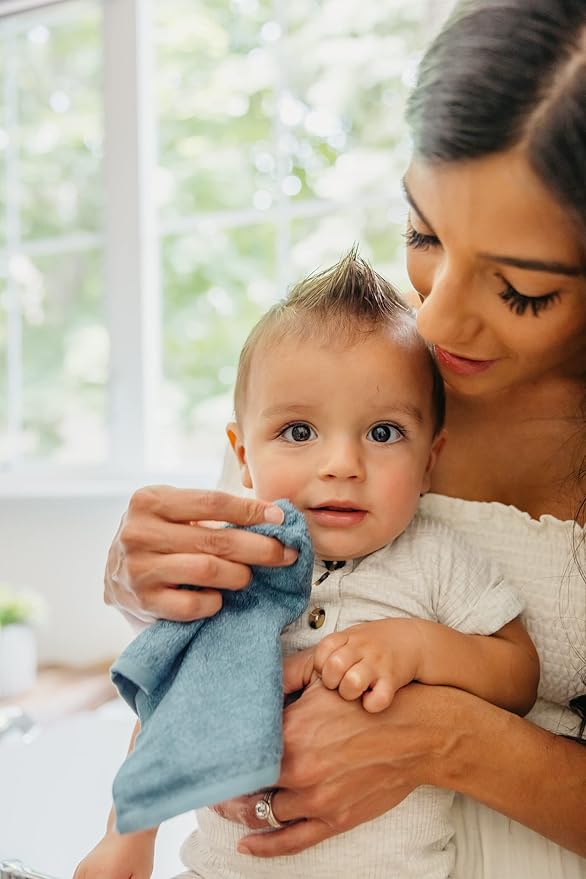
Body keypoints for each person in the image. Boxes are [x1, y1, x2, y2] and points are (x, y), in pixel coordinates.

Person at [100, 0, 586, 876]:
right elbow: (182, 658)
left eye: (519, 289)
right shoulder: (352, 368)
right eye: (424, 234)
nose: (433, 318)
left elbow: (505, 666)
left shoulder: (435, 556)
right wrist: (139, 580)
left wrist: (447, 736)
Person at [75, 253, 538, 879]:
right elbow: (174, 711)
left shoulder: (435, 558)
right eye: (298, 432)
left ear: (431, 459)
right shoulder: (236, 564)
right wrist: (125, 837)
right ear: (243, 454)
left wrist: (421, 648)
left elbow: (517, 673)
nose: (342, 464)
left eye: (382, 433)